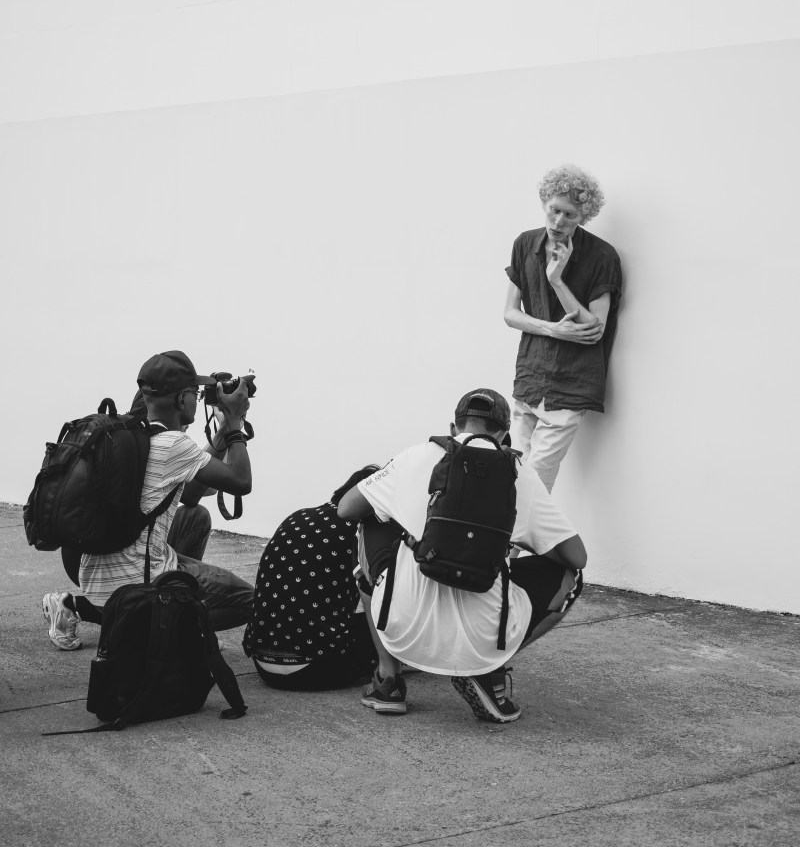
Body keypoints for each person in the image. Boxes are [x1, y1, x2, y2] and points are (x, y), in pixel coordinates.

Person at [337, 388, 586, 724]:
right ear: (503, 435)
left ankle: (387, 682)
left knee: (368, 521)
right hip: (484, 638)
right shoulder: (517, 473)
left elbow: (346, 508)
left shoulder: (416, 455)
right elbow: (577, 556)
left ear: (453, 428)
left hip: (402, 630)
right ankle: (488, 671)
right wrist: (511, 540)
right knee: (572, 577)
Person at [42, 350, 255, 651]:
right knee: (249, 601)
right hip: (137, 578)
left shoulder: (126, 438)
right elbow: (241, 482)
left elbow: (192, 495)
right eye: (194, 394)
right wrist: (234, 422)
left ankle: (88, 606)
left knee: (195, 518)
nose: (197, 399)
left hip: (87, 563)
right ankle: (170, 621)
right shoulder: (174, 444)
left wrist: (221, 435)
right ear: (181, 401)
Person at [504, 164, 622, 491]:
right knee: (509, 481)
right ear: (544, 201)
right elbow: (510, 314)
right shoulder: (525, 244)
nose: (559, 222)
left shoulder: (602, 256)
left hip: (571, 387)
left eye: (569, 215)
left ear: (584, 215)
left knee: (534, 488)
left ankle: (518, 545)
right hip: (529, 381)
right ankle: (508, 545)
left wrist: (556, 281)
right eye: (554, 210)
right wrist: (553, 329)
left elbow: (594, 328)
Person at [243, 467, 380, 690]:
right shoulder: (359, 529)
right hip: (315, 670)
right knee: (385, 622)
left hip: (263, 665)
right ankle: (390, 675)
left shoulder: (298, 516)